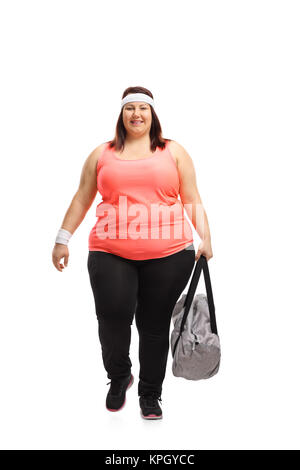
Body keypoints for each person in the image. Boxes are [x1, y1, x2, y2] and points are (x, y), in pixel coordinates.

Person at [52, 86, 213, 420]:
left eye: (143, 108)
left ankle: (150, 394)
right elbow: (82, 197)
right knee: (112, 317)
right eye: (130, 109)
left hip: (170, 253)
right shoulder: (102, 154)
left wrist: (206, 238)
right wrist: (62, 238)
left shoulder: (174, 151)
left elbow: (191, 197)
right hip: (110, 250)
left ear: (152, 114)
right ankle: (119, 375)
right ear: (121, 115)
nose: (136, 114)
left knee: (153, 326)